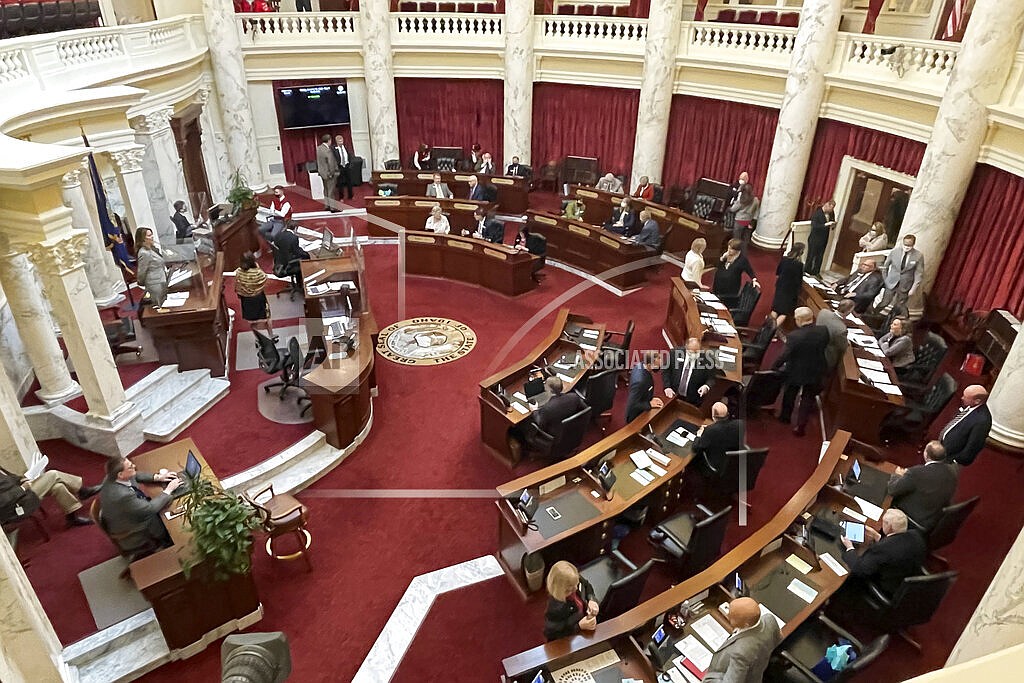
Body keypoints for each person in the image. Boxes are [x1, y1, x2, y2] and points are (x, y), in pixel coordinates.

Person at [99, 456, 183, 556]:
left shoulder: (112, 477)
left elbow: (134, 476)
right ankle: (166, 542)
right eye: (130, 466)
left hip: (126, 513)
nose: (134, 466)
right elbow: (150, 509)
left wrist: (158, 477)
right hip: (134, 528)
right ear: (120, 474)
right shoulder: (122, 496)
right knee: (171, 519)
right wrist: (168, 490)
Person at [841, 508, 927, 597]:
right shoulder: (916, 535)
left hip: (889, 588)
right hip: (908, 579)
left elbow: (860, 569)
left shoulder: (882, 549)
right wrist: (877, 536)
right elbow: (896, 546)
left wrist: (849, 548)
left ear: (889, 526)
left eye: (884, 522)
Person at [773, 307, 829, 436]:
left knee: (790, 393)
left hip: (796, 370)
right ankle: (800, 426)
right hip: (816, 369)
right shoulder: (823, 331)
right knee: (807, 398)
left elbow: (785, 355)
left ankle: (785, 417)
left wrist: (774, 367)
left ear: (799, 319)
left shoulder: (795, 336)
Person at [703, 597, 781, 683]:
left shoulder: (741, 652)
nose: (728, 616)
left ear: (746, 624)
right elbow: (779, 643)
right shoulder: (769, 619)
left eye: (732, 617)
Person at [887, 441, 958, 530]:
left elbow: (892, 490)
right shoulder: (952, 473)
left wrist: (897, 475)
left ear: (926, 455)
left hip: (910, 519)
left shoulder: (917, 473)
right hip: (930, 520)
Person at [0, 465, 101, 528]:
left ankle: (72, 517)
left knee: (58, 487)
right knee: (53, 474)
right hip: (16, 505)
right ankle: (82, 491)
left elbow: (10, 478)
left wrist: (22, 479)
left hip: (23, 495)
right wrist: (22, 488)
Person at [543, 560, 598, 641]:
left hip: (584, 622)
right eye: (570, 590)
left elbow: (586, 585)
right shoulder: (554, 609)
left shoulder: (574, 580)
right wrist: (578, 626)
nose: (575, 589)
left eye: (577, 584)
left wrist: (591, 599)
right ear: (560, 591)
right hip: (573, 639)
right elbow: (553, 635)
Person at [938, 384, 992, 466]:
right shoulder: (971, 405)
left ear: (977, 401)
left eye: (966, 397)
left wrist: (954, 460)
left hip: (949, 460)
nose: (962, 398)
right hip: (942, 450)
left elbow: (972, 447)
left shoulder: (982, 421)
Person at [692, 402, 743, 478]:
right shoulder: (740, 423)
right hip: (735, 463)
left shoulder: (710, 431)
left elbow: (695, 448)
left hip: (717, 467)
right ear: (728, 414)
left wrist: (699, 435)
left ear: (713, 416)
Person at [876, 234, 924, 312]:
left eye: (909, 245)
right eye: (905, 244)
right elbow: (885, 267)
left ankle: (890, 321)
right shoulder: (894, 252)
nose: (907, 247)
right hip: (891, 283)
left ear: (913, 244)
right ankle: (873, 314)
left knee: (899, 306)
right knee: (885, 302)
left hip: (905, 286)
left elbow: (919, 274)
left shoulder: (918, 256)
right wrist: (886, 280)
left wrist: (913, 289)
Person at [663, 337, 716, 406]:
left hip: (693, 399)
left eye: (696, 352)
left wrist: (706, 386)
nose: (694, 355)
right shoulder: (674, 353)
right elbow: (666, 370)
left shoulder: (708, 360)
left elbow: (711, 378)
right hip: (673, 394)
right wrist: (667, 387)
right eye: (691, 353)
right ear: (686, 349)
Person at [234, 251, 273, 336]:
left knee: (252, 322)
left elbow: (238, 286)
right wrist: (258, 268)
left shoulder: (238, 272)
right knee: (267, 318)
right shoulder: (258, 273)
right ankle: (271, 335)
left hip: (247, 301)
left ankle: (258, 339)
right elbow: (264, 278)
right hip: (258, 298)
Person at [712, 239, 759, 309]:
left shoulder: (742, 260)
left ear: (737, 250)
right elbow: (717, 266)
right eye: (729, 247)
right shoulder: (726, 255)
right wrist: (722, 258)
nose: (729, 250)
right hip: (718, 285)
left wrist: (754, 280)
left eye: (731, 249)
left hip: (730, 288)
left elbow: (749, 270)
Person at [770, 243, 805, 335]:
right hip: (790, 290)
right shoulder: (799, 265)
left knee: (775, 309)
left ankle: (768, 327)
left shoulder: (784, 259)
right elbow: (798, 280)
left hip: (780, 286)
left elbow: (777, 272)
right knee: (783, 312)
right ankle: (771, 332)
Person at [625, 351, 664, 423]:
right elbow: (633, 404)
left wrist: (650, 399)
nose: (659, 368)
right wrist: (649, 404)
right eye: (657, 366)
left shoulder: (641, 364)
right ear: (649, 365)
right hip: (636, 416)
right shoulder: (640, 382)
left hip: (644, 399)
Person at [134, 227, 168, 306]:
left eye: (152, 234)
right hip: (154, 284)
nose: (152, 237)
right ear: (143, 239)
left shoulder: (151, 249)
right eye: (149, 235)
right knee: (159, 306)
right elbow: (141, 272)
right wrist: (142, 283)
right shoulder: (144, 253)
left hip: (161, 281)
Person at [817, 298, 855, 370]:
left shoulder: (823, 312)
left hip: (814, 348)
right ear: (849, 311)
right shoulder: (841, 329)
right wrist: (847, 342)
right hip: (826, 358)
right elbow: (842, 347)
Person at [805, 199, 836, 276]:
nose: (831, 211)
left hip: (824, 239)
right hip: (815, 239)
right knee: (811, 256)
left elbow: (832, 221)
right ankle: (806, 271)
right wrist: (825, 225)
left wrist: (833, 225)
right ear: (826, 205)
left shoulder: (831, 213)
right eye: (831, 208)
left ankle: (816, 272)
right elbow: (814, 226)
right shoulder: (817, 214)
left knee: (820, 257)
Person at [316, 133, 340, 212]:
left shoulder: (318, 148)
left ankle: (327, 205)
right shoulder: (328, 150)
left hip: (322, 173)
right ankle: (332, 207)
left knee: (326, 189)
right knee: (331, 191)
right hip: (329, 174)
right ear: (329, 140)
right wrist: (332, 173)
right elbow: (331, 163)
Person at [333, 133, 354, 201]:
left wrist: (350, 164)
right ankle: (341, 197)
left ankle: (351, 196)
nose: (341, 142)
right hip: (340, 167)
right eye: (339, 141)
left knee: (349, 182)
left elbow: (350, 155)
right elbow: (334, 159)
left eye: (342, 141)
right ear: (336, 142)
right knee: (340, 183)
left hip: (347, 166)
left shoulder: (346, 147)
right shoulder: (334, 149)